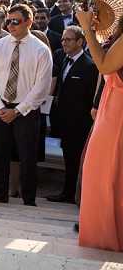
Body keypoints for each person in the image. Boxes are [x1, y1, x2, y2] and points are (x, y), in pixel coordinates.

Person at [0, 4, 53, 206]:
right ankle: (0, 195)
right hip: (0, 108)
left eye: (16, 21)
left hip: (27, 111)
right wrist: (0, 106)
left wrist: (17, 110)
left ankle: (28, 200)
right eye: (8, 21)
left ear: (29, 22)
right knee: (0, 154)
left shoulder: (41, 51)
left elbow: (41, 87)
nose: (11, 25)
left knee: (27, 157)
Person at [77, 0, 123, 251]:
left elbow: (105, 64)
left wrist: (86, 30)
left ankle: (108, 235)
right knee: (102, 171)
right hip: (112, 104)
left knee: (106, 173)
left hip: (119, 110)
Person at [47, 26, 98, 204]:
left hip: (79, 124)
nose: (64, 42)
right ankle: (68, 193)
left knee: (76, 160)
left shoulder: (90, 66)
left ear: (80, 42)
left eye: (68, 39)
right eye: (62, 39)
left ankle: (73, 195)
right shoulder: (63, 59)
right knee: (69, 159)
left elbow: (91, 98)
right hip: (64, 122)